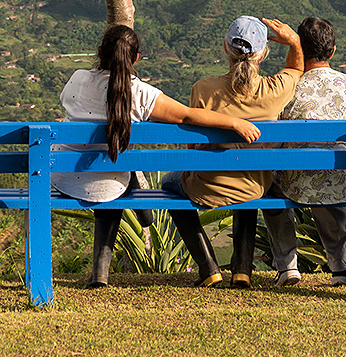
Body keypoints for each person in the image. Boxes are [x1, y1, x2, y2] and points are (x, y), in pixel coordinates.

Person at [56, 25, 260, 288]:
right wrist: (233, 123)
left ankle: (100, 274)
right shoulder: (140, 93)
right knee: (110, 183)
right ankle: (139, 225)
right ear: (136, 58)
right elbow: (187, 115)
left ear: (100, 52)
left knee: (109, 178)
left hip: (63, 177)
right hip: (108, 183)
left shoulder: (77, 78)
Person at [162, 15, 304, 288]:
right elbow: (296, 69)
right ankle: (242, 270)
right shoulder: (274, 90)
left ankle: (208, 268)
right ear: (262, 54)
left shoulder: (203, 89)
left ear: (226, 48)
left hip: (207, 186)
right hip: (254, 186)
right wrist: (294, 41)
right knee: (245, 173)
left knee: (168, 182)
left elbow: (194, 148)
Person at [266, 16, 346, 286]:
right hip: (341, 182)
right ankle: (340, 269)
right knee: (334, 179)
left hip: (296, 183)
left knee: (272, 186)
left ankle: (288, 267)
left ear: (299, 48)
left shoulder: (288, 86)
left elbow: (275, 141)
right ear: (333, 52)